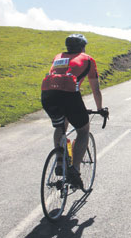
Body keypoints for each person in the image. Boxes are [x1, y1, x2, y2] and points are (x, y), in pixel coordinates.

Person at [41, 34, 108, 188]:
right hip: (69, 96)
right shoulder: (88, 59)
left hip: (47, 95)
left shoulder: (58, 57)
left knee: (60, 126)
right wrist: (100, 109)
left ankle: (59, 161)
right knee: (83, 131)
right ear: (82, 47)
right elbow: (95, 90)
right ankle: (75, 170)